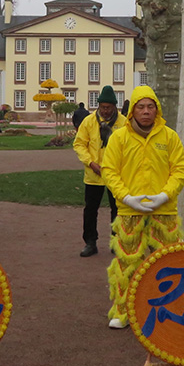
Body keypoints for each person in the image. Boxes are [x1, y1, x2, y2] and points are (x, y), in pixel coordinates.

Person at [101, 85, 184, 329]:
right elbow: (109, 170)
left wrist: (164, 195)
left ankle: (171, 310)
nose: (146, 111)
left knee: (168, 263)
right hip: (130, 211)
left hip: (164, 211)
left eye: (150, 106)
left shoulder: (169, 137)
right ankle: (123, 311)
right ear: (133, 111)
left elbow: (180, 169)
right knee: (127, 265)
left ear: (157, 109)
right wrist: (126, 198)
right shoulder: (119, 137)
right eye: (141, 107)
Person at [73, 86, 126, 257]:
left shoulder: (124, 123)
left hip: (116, 175)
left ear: (115, 107)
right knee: (90, 210)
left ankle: (116, 241)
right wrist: (90, 162)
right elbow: (79, 144)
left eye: (108, 107)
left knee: (118, 210)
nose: (105, 111)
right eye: (102, 107)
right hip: (93, 174)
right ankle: (90, 242)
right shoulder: (89, 122)